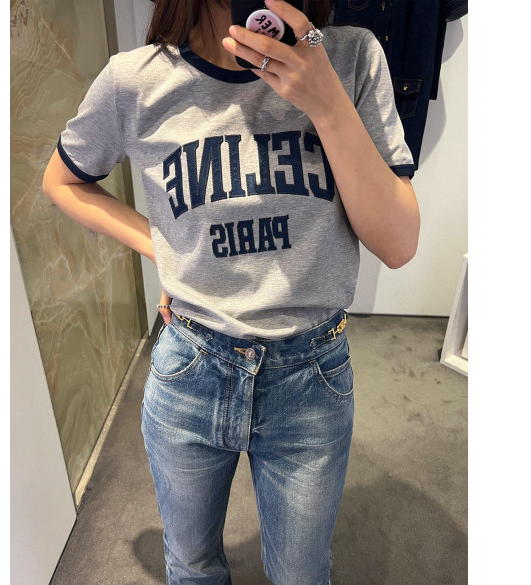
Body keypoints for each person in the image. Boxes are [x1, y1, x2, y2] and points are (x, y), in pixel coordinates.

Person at [42, 0, 420, 583]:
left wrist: (326, 103)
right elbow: (63, 181)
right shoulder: (134, 80)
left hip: (310, 375)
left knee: (301, 574)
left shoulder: (349, 58)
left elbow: (397, 244)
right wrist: (163, 248)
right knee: (192, 567)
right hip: (192, 366)